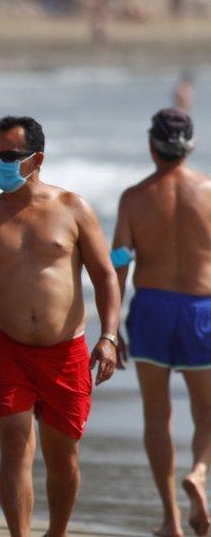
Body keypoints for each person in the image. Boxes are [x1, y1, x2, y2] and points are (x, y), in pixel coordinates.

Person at [0, 116, 120, 537]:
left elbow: (105, 277)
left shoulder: (73, 208)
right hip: (6, 348)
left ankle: (57, 532)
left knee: (64, 457)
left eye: (9, 156)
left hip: (65, 350)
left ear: (36, 159)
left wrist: (109, 337)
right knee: (13, 442)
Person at [112, 108, 211, 537]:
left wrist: (110, 327)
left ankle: (170, 519)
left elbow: (118, 262)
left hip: (151, 308)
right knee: (206, 413)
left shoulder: (134, 198)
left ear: (152, 144)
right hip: (201, 310)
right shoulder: (209, 192)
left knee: (157, 414)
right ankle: (201, 474)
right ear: (189, 146)